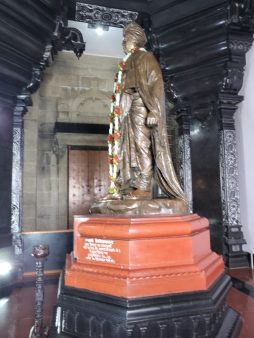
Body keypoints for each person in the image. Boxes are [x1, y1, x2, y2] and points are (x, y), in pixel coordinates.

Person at [107, 22, 185, 201]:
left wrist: (155, 111)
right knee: (128, 147)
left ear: (134, 40)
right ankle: (130, 184)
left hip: (141, 106)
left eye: (125, 39)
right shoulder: (127, 61)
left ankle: (144, 185)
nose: (123, 43)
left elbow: (156, 84)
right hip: (127, 109)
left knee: (141, 145)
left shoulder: (146, 58)